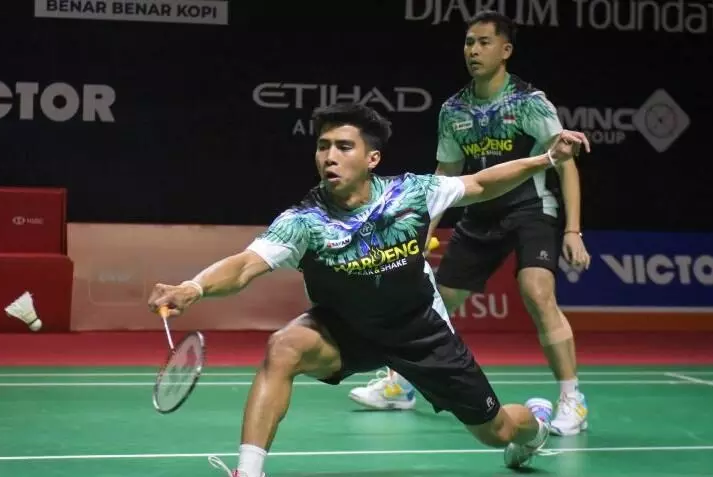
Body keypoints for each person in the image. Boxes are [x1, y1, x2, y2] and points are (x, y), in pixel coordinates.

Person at [148, 102, 590, 477]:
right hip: (348, 330)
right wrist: (194, 287)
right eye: (323, 146)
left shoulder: (411, 193)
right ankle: (249, 471)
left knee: (497, 432)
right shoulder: (304, 221)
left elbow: (479, 183)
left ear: (372, 158)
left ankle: (535, 426)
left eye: (343, 147)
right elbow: (246, 264)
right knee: (283, 347)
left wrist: (544, 159)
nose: (330, 157)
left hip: (421, 332)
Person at [347, 10, 592, 437]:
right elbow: (445, 174)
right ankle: (401, 384)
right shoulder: (454, 110)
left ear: (505, 50)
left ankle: (573, 400)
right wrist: (422, 231)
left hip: (530, 208)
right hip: (480, 214)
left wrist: (573, 231)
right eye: (468, 42)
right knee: (435, 303)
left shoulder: (529, 102)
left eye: (483, 42)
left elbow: (565, 163)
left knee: (537, 292)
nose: (473, 50)